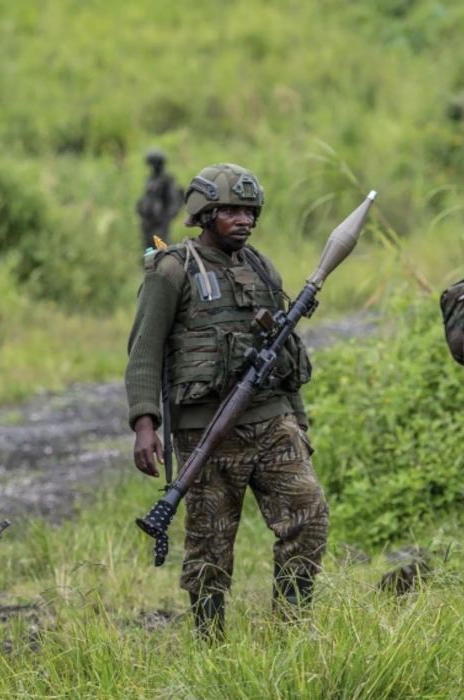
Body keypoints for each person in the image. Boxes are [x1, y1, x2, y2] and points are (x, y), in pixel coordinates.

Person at [125, 163, 329, 636]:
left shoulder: (260, 265)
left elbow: (283, 349)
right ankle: (210, 642)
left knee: (309, 513)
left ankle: (291, 629)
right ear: (205, 212)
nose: (245, 220)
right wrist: (144, 423)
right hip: (206, 431)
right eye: (233, 210)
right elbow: (144, 351)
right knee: (210, 546)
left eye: (251, 211)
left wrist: (298, 421)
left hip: (273, 420)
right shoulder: (173, 270)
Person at [135, 149, 184, 251]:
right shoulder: (150, 179)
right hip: (148, 221)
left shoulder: (166, 180)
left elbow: (173, 201)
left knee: (161, 249)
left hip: (159, 222)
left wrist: (165, 218)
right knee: (148, 250)